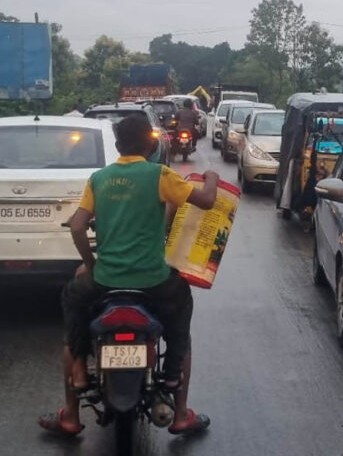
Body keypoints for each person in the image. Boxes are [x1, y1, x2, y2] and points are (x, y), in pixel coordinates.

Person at [39, 116, 218, 437]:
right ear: (151, 145)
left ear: (118, 145)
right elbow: (206, 201)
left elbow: (78, 226)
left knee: (72, 305)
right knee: (181, 313)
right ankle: (177, 398)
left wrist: (90, 263)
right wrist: (214, 178)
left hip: (105, 279)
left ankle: (74, 394)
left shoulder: (99, 179)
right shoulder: (160, 175)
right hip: (153, 281)